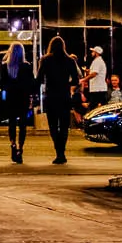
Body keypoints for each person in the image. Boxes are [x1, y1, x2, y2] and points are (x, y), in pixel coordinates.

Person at [38, 35, 81, 164]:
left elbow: (39, 79)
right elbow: (76, 80)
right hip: (64, 96)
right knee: (63, 126)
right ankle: (62, 152)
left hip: (51, 96)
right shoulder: (69, 61)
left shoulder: (45, 60)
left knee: (52, 126)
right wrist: (67, 84)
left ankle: (59, 151)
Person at [0, 44, 35, 164]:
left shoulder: (5, 67)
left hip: (10, 98)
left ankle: (13, 144)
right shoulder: (26, 66)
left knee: (12, 122)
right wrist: (30, 98)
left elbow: (1, 83)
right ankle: (20, 148)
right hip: (22, 98)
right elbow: (30, 84)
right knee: (23, 124)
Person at [84, 45, 108, 113]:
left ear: (96, 53)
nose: (91, 53)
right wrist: (88, 71)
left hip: (98, 89)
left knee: (93, 109)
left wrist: (84, 79)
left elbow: (94, 73)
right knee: (98, 107)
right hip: (97, 88)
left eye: (93, 52)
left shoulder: (98, 61)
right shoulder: (96, 61)